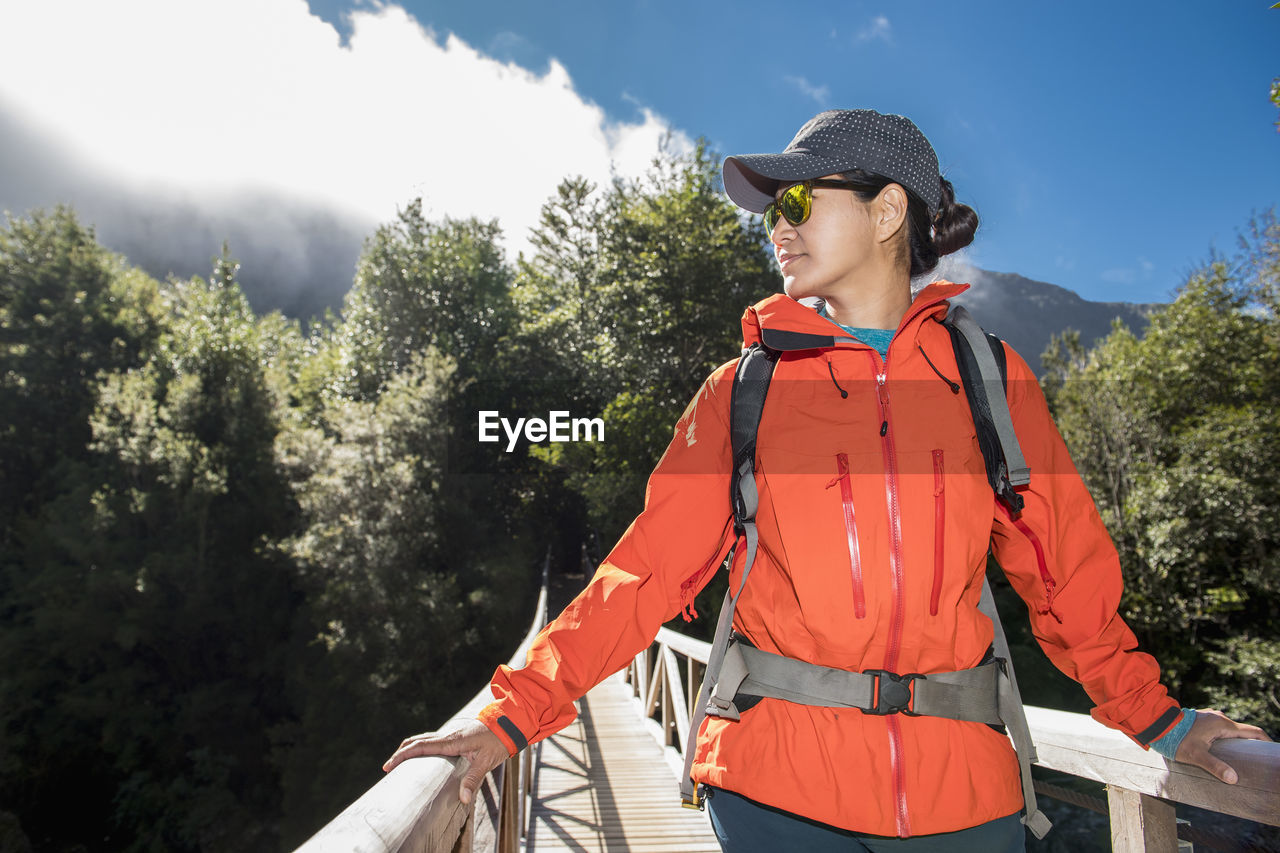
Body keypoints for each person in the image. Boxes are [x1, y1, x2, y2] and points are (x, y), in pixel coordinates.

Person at [382, 109, 1271, 851]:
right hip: (777, 795)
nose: (779, 222)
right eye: (773, 206)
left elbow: (1067, 574)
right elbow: (640, 575)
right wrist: (507, 716)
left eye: (802, 198)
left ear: (889, 212)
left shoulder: (989, 381)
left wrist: (1159, 717)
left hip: (968, 800)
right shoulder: (745, 390)